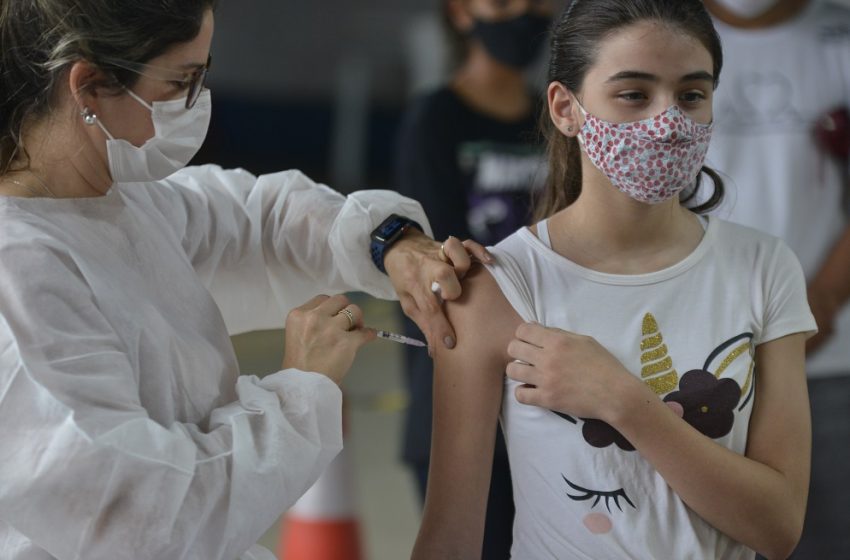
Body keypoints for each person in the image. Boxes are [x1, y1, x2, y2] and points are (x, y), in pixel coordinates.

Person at [0, 2, 490, 559]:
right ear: (88, 87)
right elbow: (138, 524)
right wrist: (299, 391)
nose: (195, 103)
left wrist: (390, 243)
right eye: (181, 81)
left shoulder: (115, 199)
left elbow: (256, 221)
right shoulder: (18, 278)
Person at [412, 1, 817, 558]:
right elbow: (449, 539)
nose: (668, 120)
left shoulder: (764, 267)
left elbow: (779, 527)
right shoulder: (500, 286)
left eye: (692, 95)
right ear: (565, 108)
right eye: (633, 94)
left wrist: (623, 401)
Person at [395, 0, 551, 555]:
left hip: (542, 394)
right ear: (462, 13)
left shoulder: (552, 117)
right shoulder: (435, 118)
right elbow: (436, 268)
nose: (528, 14)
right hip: (461, 391)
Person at [701, 1, 850, 557]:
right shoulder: (660, 27)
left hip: (829, 360)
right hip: (700, 354)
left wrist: (823, 299)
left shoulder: (839, 37)